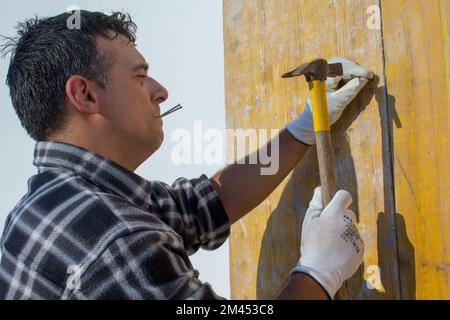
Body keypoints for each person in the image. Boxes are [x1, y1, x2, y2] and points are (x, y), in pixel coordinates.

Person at [0, 10, 371, 300]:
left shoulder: (56, 202)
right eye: (139, 76)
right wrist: (319, 274)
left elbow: (202, 205)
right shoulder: (111, 242)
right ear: (85, 95)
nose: (160, 91)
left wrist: (302, 130)